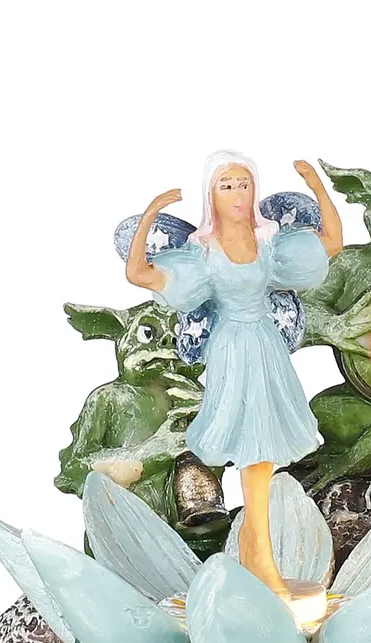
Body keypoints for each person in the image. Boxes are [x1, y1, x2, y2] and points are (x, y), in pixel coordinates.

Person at [125, 152, 343, 598]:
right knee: (251, 448)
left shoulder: (269, 243)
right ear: (212, 195)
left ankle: (254, 545)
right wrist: (150, 215)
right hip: (232, 351)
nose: (238, 194)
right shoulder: (202, 254)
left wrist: (317, 185)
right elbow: (138, 274)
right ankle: (259, 554)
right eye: (227, 186)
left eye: (244, 184)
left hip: (265, 347)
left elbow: (332, 244)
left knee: (262, 450)